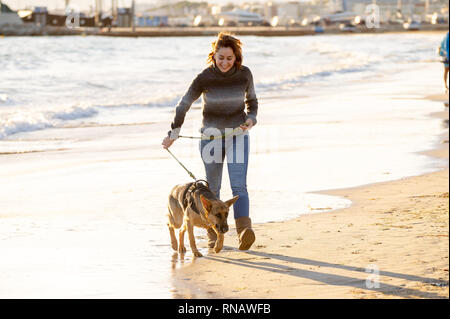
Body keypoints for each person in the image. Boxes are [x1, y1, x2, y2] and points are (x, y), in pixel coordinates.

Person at [162, 32, 258, 251]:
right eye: (220, 57)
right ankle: (213, 234)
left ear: (237, 58)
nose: (225, 62)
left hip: (238, 135)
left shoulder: (245, 75)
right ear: (213, 56)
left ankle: (244, 231)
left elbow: (252, 102)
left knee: (239, 185)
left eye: (229, 58)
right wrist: (173, 133)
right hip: (211, 138)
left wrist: (251, 120)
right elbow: (183, 104)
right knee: (212, 189)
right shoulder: (204, 78)